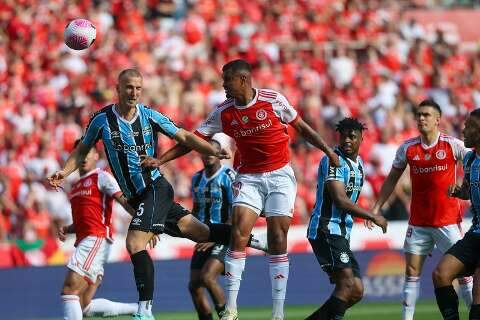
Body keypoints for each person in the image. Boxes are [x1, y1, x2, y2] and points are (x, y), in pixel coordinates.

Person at [48, 69, 266, 320]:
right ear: (117, 88)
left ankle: (144, 311)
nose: (134, 93)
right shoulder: (101, 120)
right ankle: (257, 241)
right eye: (129, 87)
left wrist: (212, 150)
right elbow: (83, 148)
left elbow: (183, 135)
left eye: (138, 88)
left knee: (134, 243)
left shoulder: (150, 117)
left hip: (156, 188)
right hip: (139, 199)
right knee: (200, 232)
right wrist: (64, 172)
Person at [147, 59, 340, 320]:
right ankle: (232, 309)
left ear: (243, 80)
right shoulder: (223, 112)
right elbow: (192, 140)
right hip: (248, 177)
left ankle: (278, 313)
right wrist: (161, 160)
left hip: (280, 175)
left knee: (278, 238)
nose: (223, 85)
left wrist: (328, 150)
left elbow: (302, 128)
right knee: (238, 233)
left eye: (227, 80)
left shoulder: (273, 100)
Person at [371, 99, 472, 320]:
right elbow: (392, 179)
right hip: (418, 223)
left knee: (464, 274)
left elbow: (474, 162)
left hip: (448, 222)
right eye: (418, 115)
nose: (421, 118)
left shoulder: (452, 145)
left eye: (426, 114)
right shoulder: (408, 148)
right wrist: (377, 206)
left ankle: (474, 312)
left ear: (438, 120)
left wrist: (465, 187)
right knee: (411, 273)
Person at [305, 118, 388, 320]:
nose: (347, 141)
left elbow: (349, 201)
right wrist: (372, 215)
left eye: (352, 137)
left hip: (341, 231)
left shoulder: (359, 164)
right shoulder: (332, 159)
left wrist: (365, 213)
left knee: (356, 290)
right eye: (343, 136)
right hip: (326, 228)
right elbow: (340, 200)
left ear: (362, 138)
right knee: (347, 284)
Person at [60, 140, 138, 319]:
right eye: (81, 153)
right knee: (83, 305)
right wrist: (68, 228)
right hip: (88, 240)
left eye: (88, 152)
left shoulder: (101, 177)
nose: (85, 156)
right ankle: (136, 310)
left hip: (96, 239)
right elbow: (84, 221)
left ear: (96, 156)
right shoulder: (76, 187)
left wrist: (144, 222)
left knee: (69, 290)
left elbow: (124, 202)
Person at [432, 109, 480, 320]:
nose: (464, 130)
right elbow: (469, 189)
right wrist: (459, 191)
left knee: (478, 297)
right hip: (476, 233)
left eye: (469, 127)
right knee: (440, 275)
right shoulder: (469, 159)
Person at [188, 139, 235, 320]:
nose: (208, 154)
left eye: (212, 150)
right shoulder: (196, 178)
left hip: (224, 236)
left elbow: (237, 211)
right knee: (194, 285)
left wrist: (216, 238)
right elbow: (196, 210)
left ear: (219, 153)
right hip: (203, 237)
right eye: (204, 150)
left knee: (207, 277)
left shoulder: (229, 176)